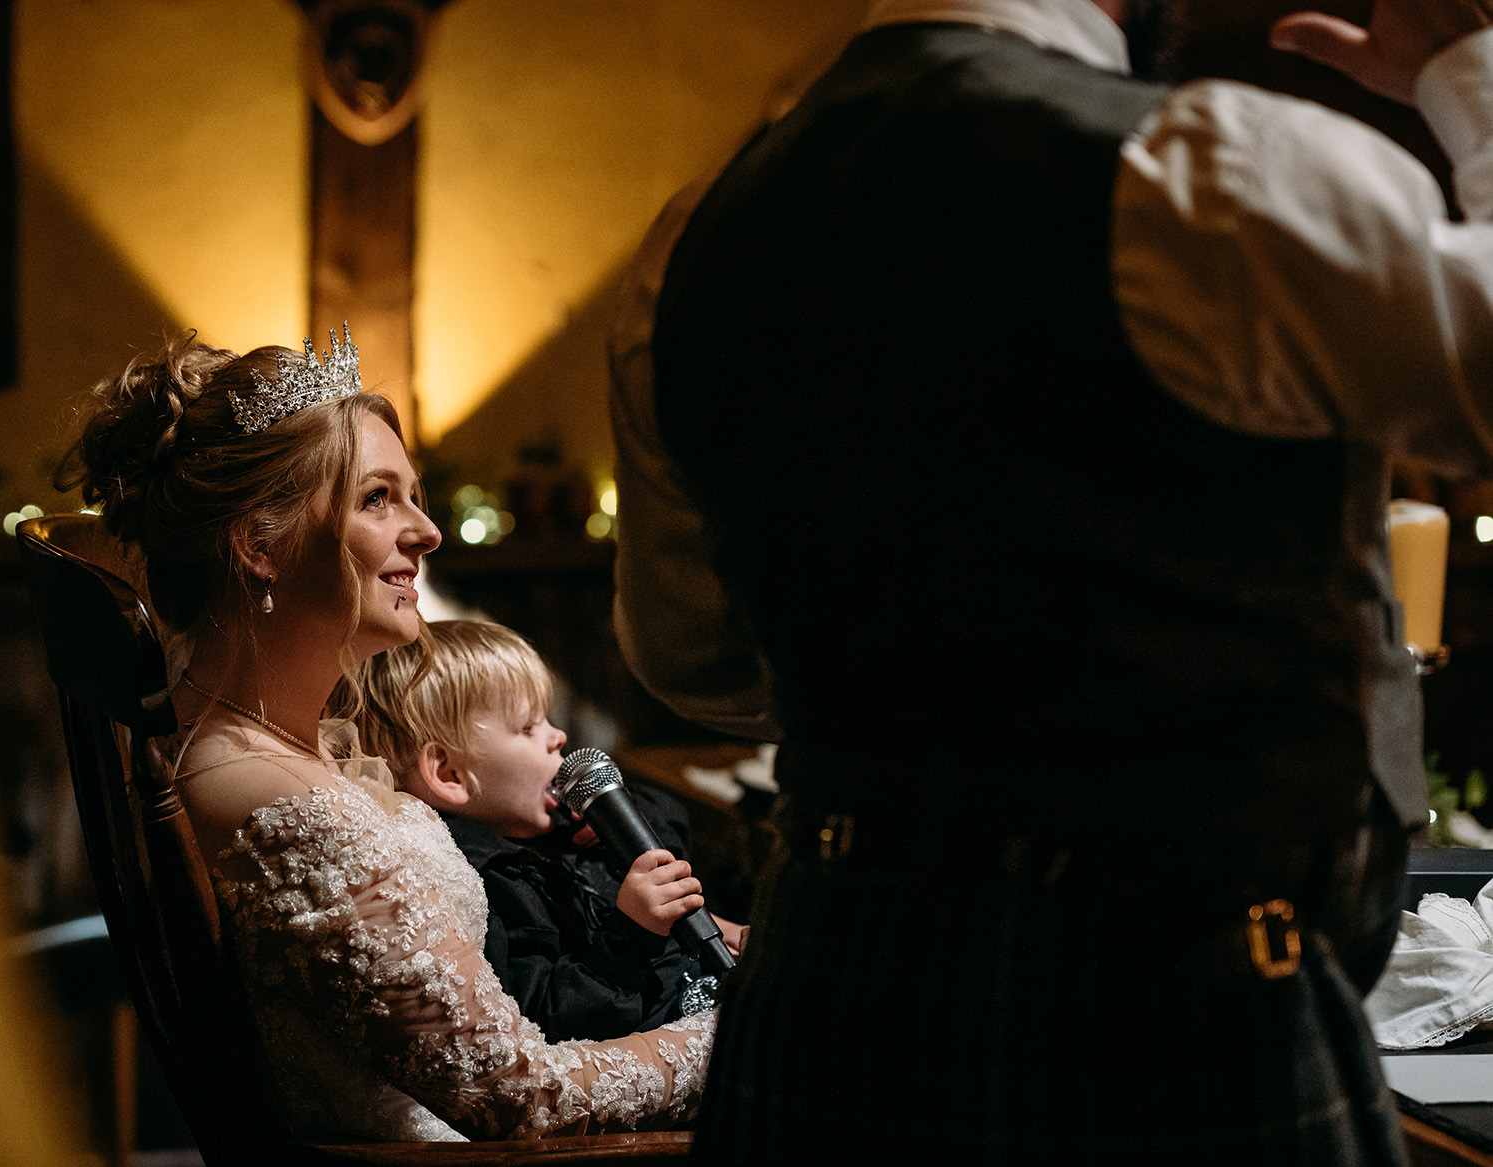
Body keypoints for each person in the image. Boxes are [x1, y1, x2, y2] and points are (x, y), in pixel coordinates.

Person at [618, 0, 1493, 1161]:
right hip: (1169, 1017)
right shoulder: (1198, 168)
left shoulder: (700, 231)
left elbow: (693, 657)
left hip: (834, 988)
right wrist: (1465, 73)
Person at [58, 331, 712, 1143]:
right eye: (377, 498)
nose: (427, 531)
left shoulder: (282, 745)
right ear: (259, 546)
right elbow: (522, 1098)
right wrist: (743, 1033)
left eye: (413, 494)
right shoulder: (281, 806)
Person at [342, 618, 742, 1043]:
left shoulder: (563, 831)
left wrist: (616, 816)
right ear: (450, 773)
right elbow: (550, 1022)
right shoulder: (488, 886)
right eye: (528, 727)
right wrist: (631, 933)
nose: (558, 736)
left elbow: (670, 824)